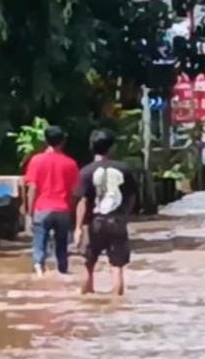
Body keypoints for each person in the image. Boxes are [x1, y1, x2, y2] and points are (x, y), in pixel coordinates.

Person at [73, 129, 139, 296]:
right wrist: (125, 216)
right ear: (112, 148)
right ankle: (116, 305)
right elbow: (132, 197)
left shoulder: (86, 171)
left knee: (88, 264)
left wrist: (78, 228)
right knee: (116, 267)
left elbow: (83, 201)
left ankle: (86, 300)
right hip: (117, 221)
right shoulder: (125, 169)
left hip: (94, 222)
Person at [22, 125, 80, 277]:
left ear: (45, 141)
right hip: (63, 210)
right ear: (63, 141)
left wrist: (29, 212)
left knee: (39, 244)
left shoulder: (36, 161)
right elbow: (75, 192)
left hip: (42, 209)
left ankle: (39, 270)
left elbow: (32, 188)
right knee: (62, 248)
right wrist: (71, 210)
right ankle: (62, 271)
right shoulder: (71, 163)